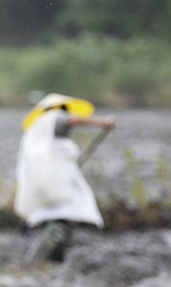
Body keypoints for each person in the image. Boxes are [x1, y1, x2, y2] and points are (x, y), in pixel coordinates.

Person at [13, 93, 116, 262]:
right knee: (58, 222)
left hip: (47, 181)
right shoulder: (54, 116)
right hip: (55, 182)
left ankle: (50, 259)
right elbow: (71, 120)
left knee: (56, 219)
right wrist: (102, 122)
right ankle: (39, 260)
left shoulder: (39, 130)